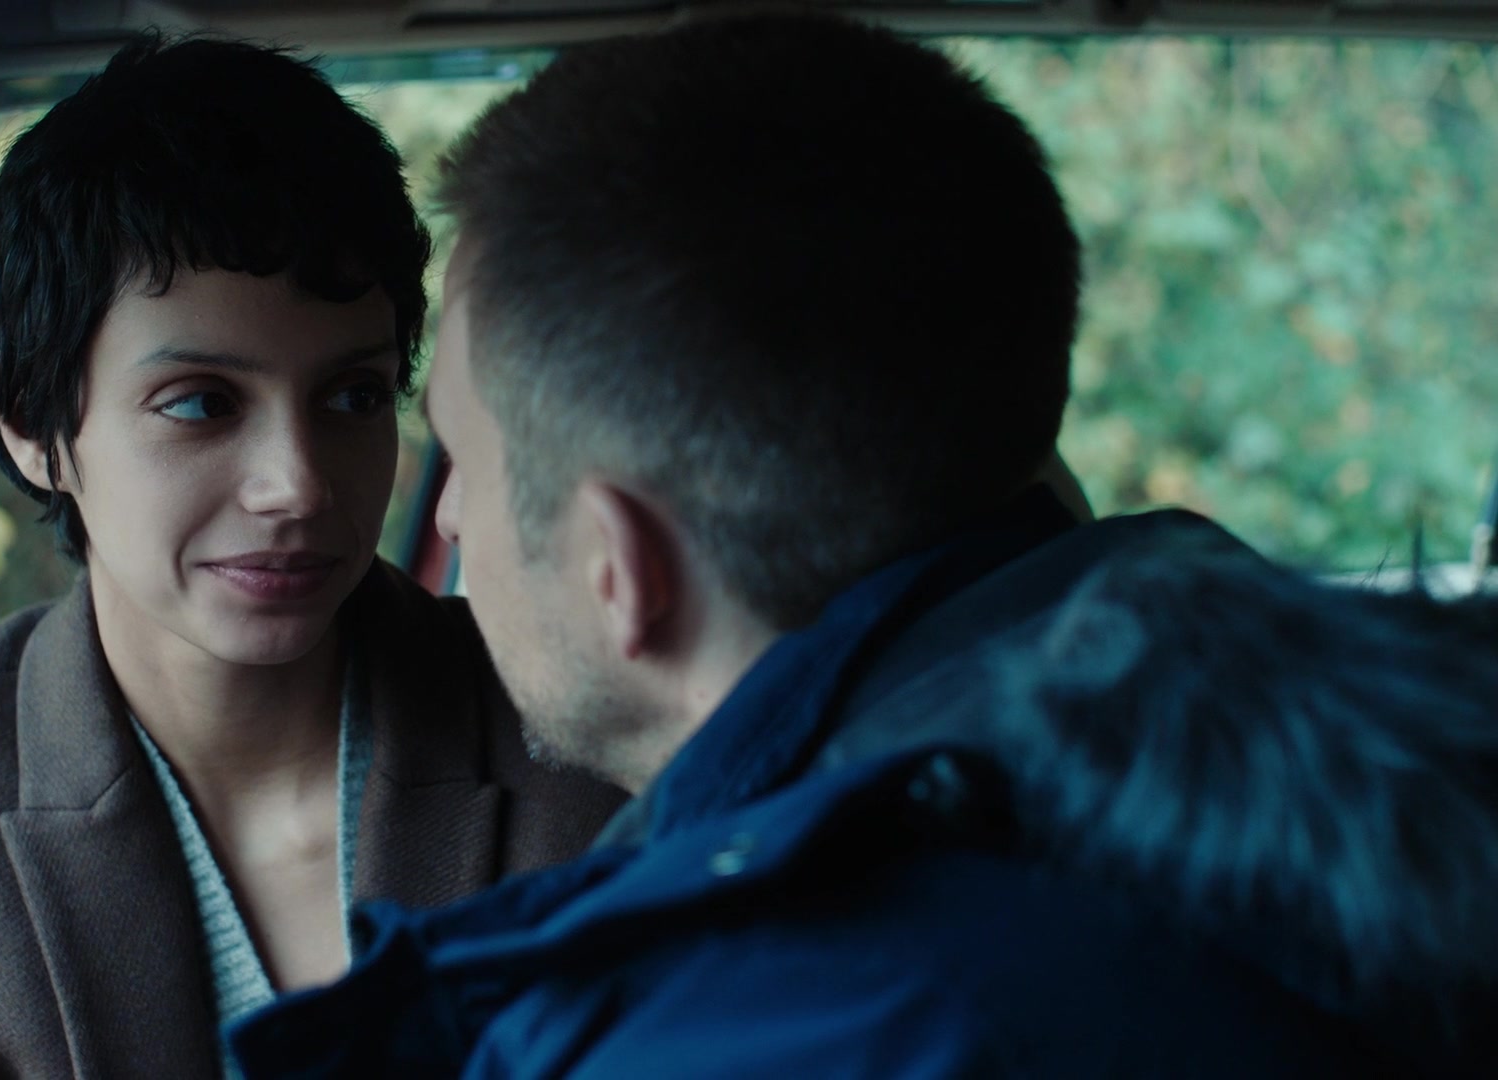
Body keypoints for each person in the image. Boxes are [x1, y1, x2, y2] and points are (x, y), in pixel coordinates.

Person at [229, 13, 1498, 1078]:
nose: (446, 519)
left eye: (463, 457)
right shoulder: (1350, 781)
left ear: (622, 571)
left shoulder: (758, 1033)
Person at [0, 33, 623, 1080]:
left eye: (353, 395)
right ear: (31, 422)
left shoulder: (580, 726)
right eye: (201, 404)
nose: (297, 484)